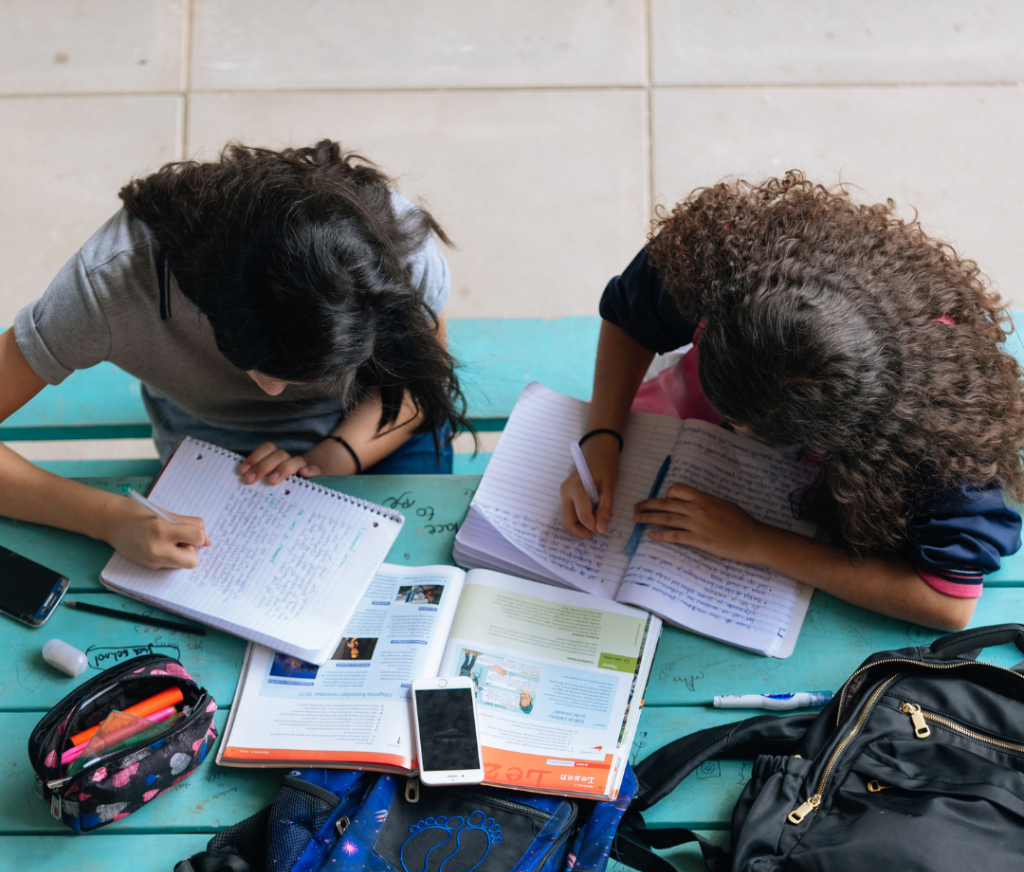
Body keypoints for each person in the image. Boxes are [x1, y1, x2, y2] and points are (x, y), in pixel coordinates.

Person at [561, 172, 1024, 632]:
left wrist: (756, 542)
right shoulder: (729, 258)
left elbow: (949, 603)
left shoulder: (944, 428)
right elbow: (630, 316)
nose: (735, 431)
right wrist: (602, 432)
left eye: (756, 431)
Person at [0, 140, 469, 570]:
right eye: (256, 363)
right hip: (218, 454)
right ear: (206, 299)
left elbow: (418, 385)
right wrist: (108, 518)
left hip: (374, 428)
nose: (271, 390)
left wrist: (332, 457)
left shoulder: (399, 251)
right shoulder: (115, 281)